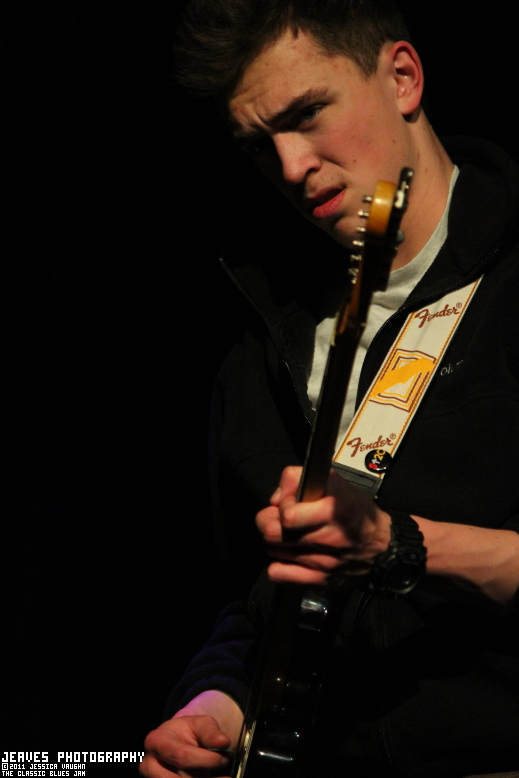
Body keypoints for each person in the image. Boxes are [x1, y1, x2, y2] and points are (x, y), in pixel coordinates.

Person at [140, 1, 519, 776]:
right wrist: (211, 708)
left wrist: (396, 545)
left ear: (402, 77)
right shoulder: (261, 338)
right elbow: (253, 603)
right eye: (259, 145)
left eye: (306, 114)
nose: (289, 167)